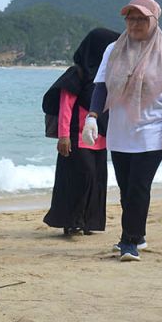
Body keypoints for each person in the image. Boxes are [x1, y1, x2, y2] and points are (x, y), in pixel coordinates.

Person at [83, 0, 162, 262]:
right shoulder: (113, 50)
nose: (136, 23)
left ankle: (129, 242)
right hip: (120, 131)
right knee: (126, 188)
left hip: (152, 130)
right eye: (131, 18)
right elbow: (102, 86)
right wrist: (92, 117)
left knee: (139, 187)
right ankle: (137, 233)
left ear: (154, 21)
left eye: (142, 18)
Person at [43, 28, 120, 236]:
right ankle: (71, 221)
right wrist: (63, 136)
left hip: (100, 138)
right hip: (76, 136)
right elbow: (65, 106)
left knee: (96, 179)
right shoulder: (76, 73)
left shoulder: (107, 76)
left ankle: (88, 222)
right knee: (82, 176)